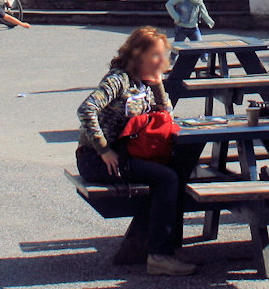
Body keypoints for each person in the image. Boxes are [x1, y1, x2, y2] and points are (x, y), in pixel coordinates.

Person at [76, 27, 199, 277]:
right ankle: (158, 256)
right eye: (155, 55)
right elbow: (86, 109)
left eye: (163, 55)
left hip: (126, 154)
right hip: (97, 159)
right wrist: (103, 149)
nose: (162, 60)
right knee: (167, 178)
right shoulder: (118, 80)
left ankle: (170, 248)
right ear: (137, 55)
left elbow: (166, 115)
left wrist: (158, 85)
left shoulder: (144, 82)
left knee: (178, 170)